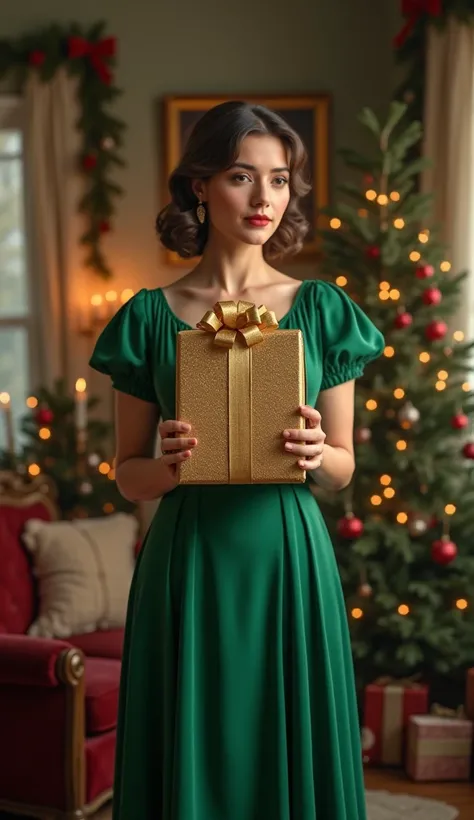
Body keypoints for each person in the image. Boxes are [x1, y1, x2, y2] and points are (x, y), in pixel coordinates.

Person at [89, 100, 384, 820]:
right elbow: (127, 472)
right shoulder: (148, 317)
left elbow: (344, 467)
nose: (264, 199)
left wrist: (320, 453)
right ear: (199, 186)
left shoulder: (321, 310)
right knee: (196, 733)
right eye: (240, 177)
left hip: (289, 553)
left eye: (279, 181)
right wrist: (168, 465)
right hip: (189, 558)